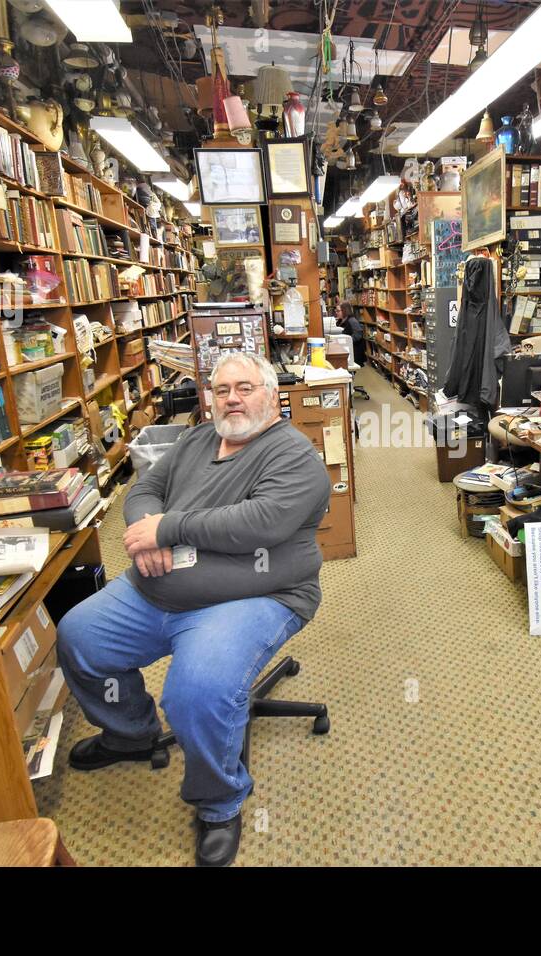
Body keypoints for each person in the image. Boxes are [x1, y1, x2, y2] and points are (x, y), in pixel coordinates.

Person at [57, 351, 332, 866]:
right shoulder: (197, 439)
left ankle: (219, 802)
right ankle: (130, 733)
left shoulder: (295, 456)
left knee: (196, 691)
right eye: (222, 388)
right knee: (78, 636)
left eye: (245, 387)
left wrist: (168, 529)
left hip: (253, 598)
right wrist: (148, 535)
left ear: (272, 396)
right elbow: (145, 490)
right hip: (155, 588)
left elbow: (261, 524)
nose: (232, 398)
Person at [338, 303, 365, 368]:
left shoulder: (352, 321)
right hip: (347, 350)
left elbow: (358, 335)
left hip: (354, 351)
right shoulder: (341, 321)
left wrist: (346, 341)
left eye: (338, 311)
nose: (336, 313)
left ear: (345, 311)